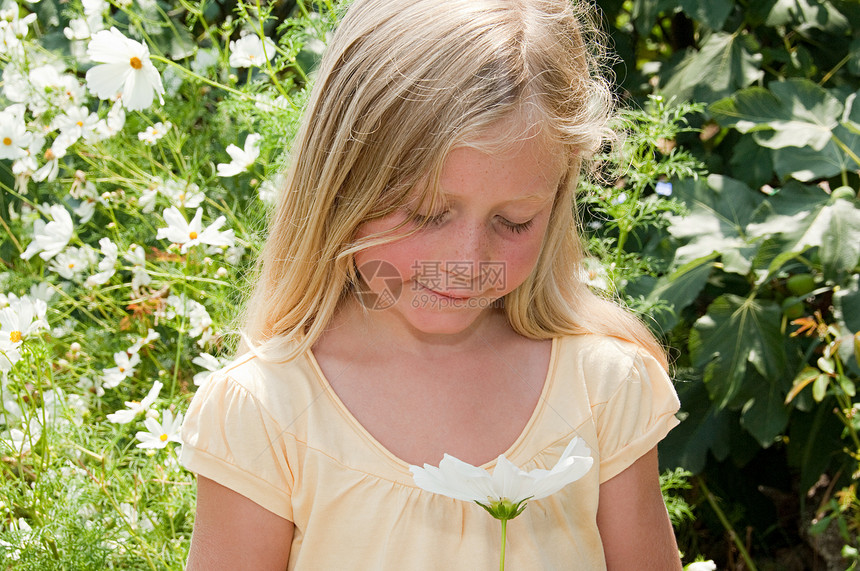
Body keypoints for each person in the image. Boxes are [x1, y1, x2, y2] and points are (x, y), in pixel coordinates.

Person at [180, 0, 683, 568]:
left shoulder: (602, 390)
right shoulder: (266, 413)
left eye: (513, 221)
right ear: (339, 182)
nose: (468, 262)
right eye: (423, 213)